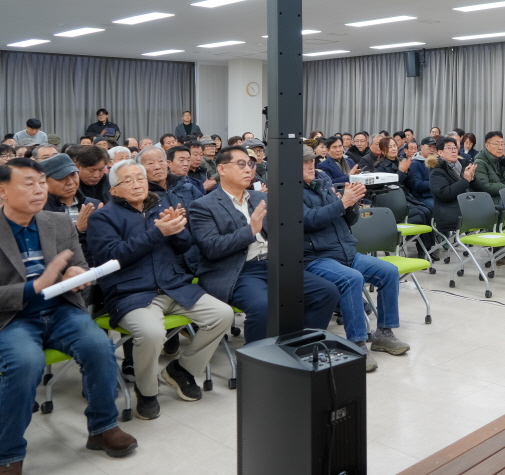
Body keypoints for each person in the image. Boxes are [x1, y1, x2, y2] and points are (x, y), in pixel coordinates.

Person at [0, 158, 139, 470]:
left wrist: (77, 274)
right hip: (13, 319)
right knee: (26, 363)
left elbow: (79, 267)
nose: (38, 190)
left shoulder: (58, 222)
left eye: (40, 182)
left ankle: (103, 428)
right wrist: (35, 287)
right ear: (2, 191)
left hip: (62, 310)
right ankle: (8, 453)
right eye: (28, 183)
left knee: (99, 346)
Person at [87, 160, 233, 420]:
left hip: (173, 285)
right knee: (152, 332)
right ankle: (147, 391)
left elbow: (184, 246)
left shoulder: (160, 207)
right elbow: (111, 258)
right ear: (114, 190)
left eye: (140, 179)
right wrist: (158, 233)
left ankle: (182, 370)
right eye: (128, 181)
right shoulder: (102, 217)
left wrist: (177, 231)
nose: (137, 184)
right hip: (131, 292)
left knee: (222, 314)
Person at [187, 146, 341, 343]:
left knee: (327, 291)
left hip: (272, 264)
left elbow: (280, 233)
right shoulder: (203, 205)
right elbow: (211, 248)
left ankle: (302, 346)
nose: (248, 169)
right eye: (241, 164)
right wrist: (250, 230)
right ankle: (256, 366)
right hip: (237, 270)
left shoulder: (261, 198)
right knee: (262, 305)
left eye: (251, 165)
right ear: (222, 169)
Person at [301, 147, 409, 372]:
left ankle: (384, 333)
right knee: (352, 279)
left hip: (346, 251)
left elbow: (349, 220)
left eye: (311, 161)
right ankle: (357, 343)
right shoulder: (286, 192)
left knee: (388, 272)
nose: (311, 165)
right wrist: (341, 204)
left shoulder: (322, 181)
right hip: (316, 258)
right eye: (304, 163)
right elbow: (309, 220)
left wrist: (352, 203)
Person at [40, 153, 102, 265]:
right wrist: (77, 229)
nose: (70, 182)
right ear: (44, 182)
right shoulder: (40, 211)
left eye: (73, 175)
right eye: (61, 178)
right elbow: (46, 248)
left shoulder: (93, 204)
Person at [427, 137, 484, 233]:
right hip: (450, 211)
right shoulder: (437, 171)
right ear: (440, 153)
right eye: (449, 148)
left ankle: (495, 246)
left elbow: (481, 189)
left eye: (455, 148)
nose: (453, 151)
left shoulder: (463, 165)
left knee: (497, 211)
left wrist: (472, 178)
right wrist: (465, 180)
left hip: (468, 206)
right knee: (491, 213)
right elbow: (444, 194)